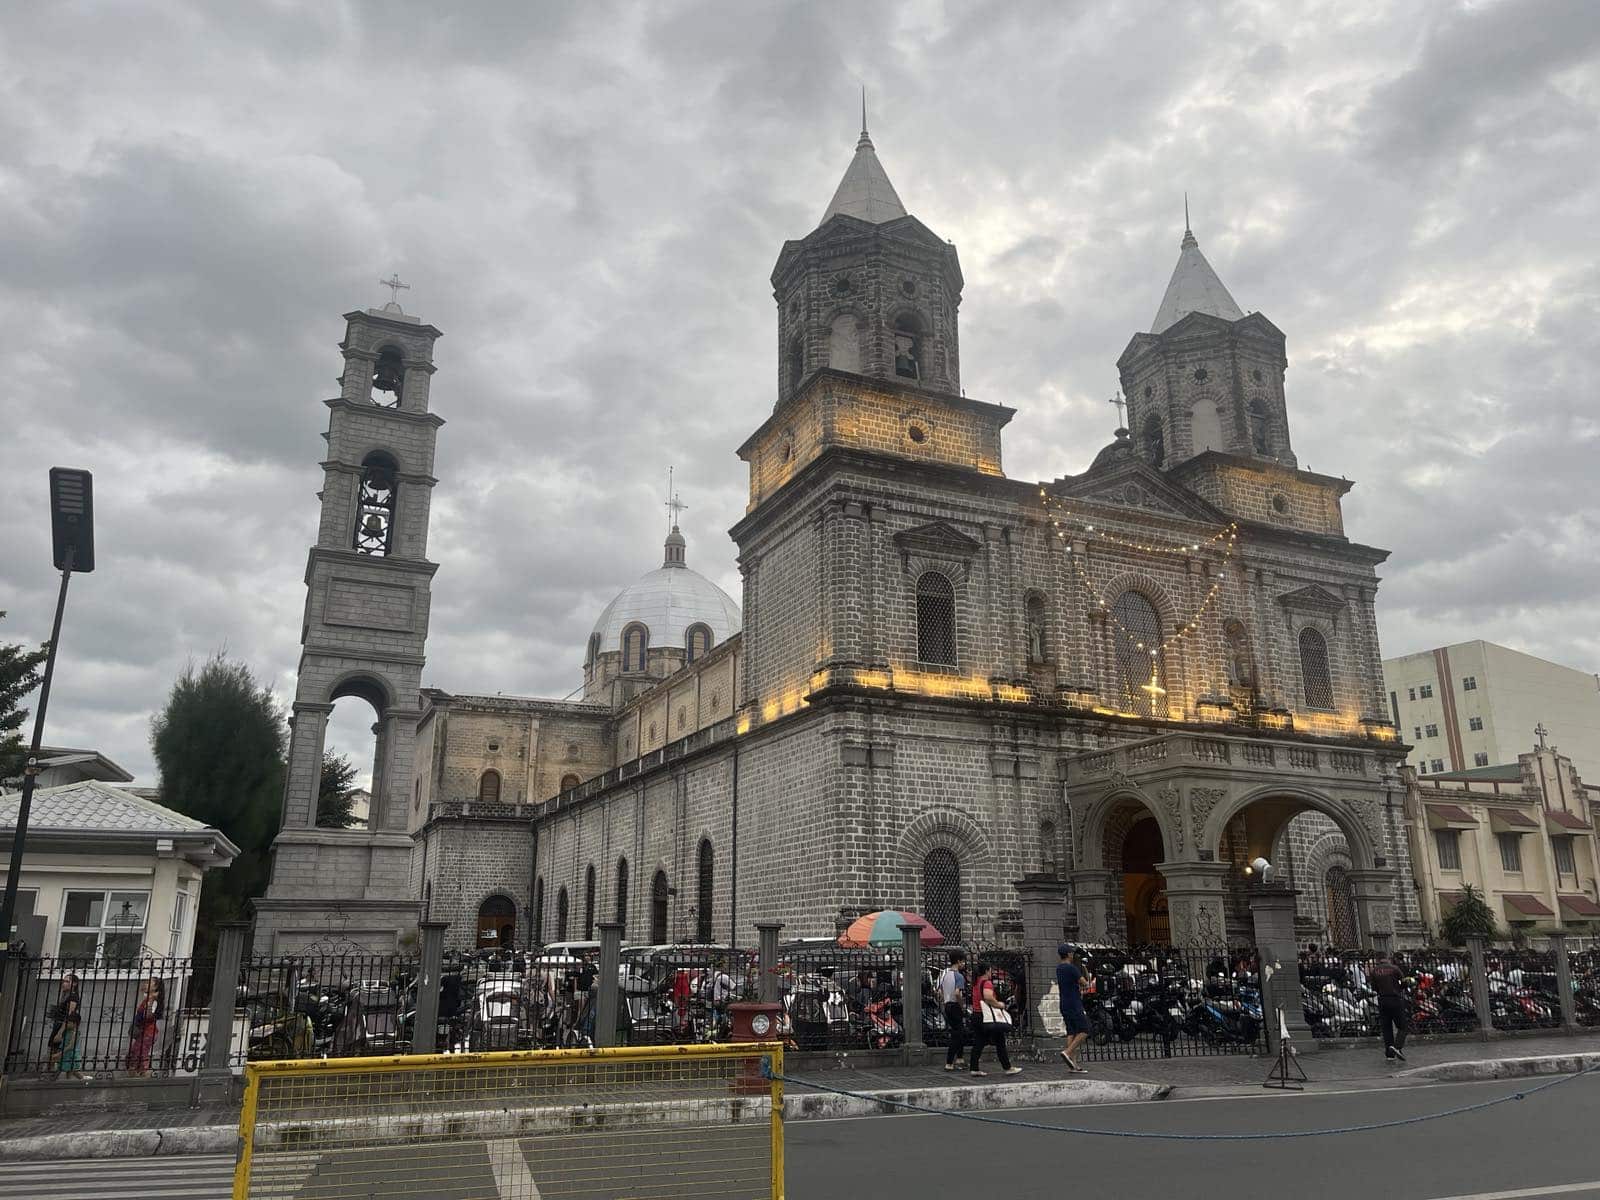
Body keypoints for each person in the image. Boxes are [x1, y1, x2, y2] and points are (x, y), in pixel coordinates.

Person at [968, 961, 1022, 1077]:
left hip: (976, 1015)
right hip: (986, 1016)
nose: (991, 972)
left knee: (979, 1042)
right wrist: (999, 1004)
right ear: (987, 971)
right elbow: (988, 997)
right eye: (990, 970)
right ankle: (1007, 1067)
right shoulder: (986, 983)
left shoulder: (976, 982)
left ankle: (974, 1067)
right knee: (1000, 1041)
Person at [1056, 944, 1091, 1073]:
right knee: (1084, 1029)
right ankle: (1067, 1052)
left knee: (1071, 1031)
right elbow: (1084, 983)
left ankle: (1073, 1064)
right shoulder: (1071, 968)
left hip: (1064, 1003)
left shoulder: (1059, 968)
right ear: (1069, 954)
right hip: (1074, 1003)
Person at [1367, 951, 1409, 1061]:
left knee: (1386, 1028)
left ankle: (1389, 1054)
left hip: (1382, 1000)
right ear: (1387, 958)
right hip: (1395, 999)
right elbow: (1404, 982)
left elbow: (1373, 987)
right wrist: (1399, 988)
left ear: (1377, 959)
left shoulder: (1374, 971)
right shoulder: (1395, 969)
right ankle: (1397, 1047)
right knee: (1403, 1026)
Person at [125, 977, 165, 1076]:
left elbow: (149, 1016)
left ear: (155, 987)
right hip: (144, 1032)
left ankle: (143, 1075)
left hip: (148, 1033)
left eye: (149, 983)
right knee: (134, 1054)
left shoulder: (153, 1000)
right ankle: (135, 1073)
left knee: (139, 1055)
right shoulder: (148, 998)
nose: (146, 984)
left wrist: (149, 1006)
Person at [935, 950, 968, 1071]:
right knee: (957, 1034)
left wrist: (944, 999)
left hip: (947, 1005)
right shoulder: (958, 976)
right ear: (959, 961)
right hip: (955, 1005)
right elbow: (957, 993)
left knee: (957, 1032)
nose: (964, 964)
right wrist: (962, 1005)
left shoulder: (945, 974)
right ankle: (949, 1062)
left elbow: (939, 991)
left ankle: (960, 1059)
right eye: (963, 961)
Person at [48, 973, 83, 1079]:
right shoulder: (66, 995)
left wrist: (60, 1032)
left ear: (74, 984)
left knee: (56, 1049)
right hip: (58, 1024)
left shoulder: (73, 997)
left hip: (62, 1026)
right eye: (63, 981)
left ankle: (53, 1074)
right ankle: (54, 1073)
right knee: (54, 1048)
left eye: (67, 981)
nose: (64, 983)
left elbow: (69, 1015)